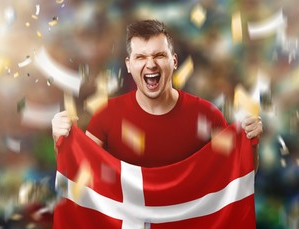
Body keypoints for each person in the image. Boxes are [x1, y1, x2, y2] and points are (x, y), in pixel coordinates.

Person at [52, 19, 262, 168]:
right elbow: (79, 174)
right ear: (128, 65)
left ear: (174, 61)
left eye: (159, 55)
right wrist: (59, 139)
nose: (150, 64)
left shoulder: (207, 114)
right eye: (141, 57)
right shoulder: (106, 116)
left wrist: (251, 142)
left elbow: (237, 173)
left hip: (187, 228)